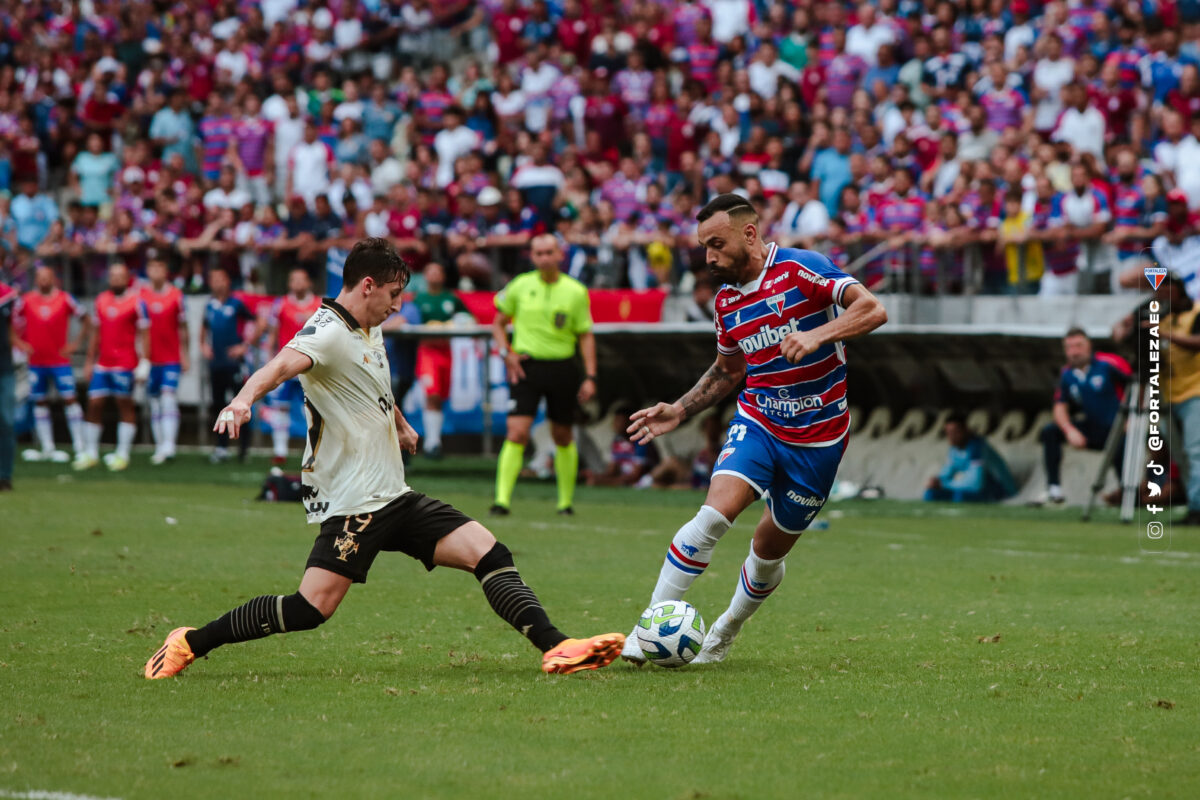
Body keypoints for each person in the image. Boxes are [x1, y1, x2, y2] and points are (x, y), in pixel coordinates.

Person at [144, 238, 624, 679]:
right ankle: (190, 641)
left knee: (489, 553)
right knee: (309, 610)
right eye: (394, 293)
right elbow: (277, 367)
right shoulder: (327, 332)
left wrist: (399, 423)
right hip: (355, 504)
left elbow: (370, 381)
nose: (398, 304)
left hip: (395, 494)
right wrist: (241, 400)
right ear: (367, 285)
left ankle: (557, 647)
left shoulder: (368, 326)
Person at [619, 194, 887, 664]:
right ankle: (647, 629)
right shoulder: (726, 302)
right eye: (704, 247)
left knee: (766, 552)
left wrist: (817, 334)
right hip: (759, 421)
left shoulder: (803, 268)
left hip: (820, 438)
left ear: (749, 233)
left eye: (717, 244)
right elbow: (727, 370)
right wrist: (681, 409)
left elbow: (872, 309)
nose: (709, 257)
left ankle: (724, 630)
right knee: (712, 517)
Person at [490, 234, 597, 516]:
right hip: (527, 366)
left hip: (563, 367)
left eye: (549, 252)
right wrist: (507, 353)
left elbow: (585, 335)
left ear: (560, 255)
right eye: (539, 253)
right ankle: (501, 501)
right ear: (532, 257)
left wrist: (590, 376)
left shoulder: (575, 291)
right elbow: (498, 323)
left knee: (562, 435)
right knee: (517, 431)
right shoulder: (520, 286)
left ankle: (565, 503)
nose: (544, 258)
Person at [1039, 328, 1131, 504]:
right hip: (1094, 428)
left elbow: (1137, 385)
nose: (1074, 352)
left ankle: (1127, 492)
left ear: (1089, 346)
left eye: (1078, 346)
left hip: (1119, 427)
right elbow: (1059, 406)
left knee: (1122, 445)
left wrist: (1132, 417)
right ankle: (1054, 489)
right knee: (1050, 431)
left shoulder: (1108, 363)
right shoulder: (1067, 374)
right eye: (1069, 347)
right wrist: (1069, 430)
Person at [79, 262, 149, 472]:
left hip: (126, 362)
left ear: (127, 277)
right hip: (103, 362)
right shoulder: (101, 300)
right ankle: (91, 452)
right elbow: (96, 333)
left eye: (120, 275)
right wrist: (90, 360)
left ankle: (122, 454)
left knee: (124, 405)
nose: (116, 279)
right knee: (94, 404)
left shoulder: (137, 301)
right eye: (113, 275)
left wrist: (145, 361)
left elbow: (146, 333)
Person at [13, 266, 87, 463]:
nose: (44, 281)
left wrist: (75, 344)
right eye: (40, 278)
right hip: (36, 361)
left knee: (70, 399)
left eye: (47, 277)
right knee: (40, 401)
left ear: (54, 278)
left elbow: (87, 319)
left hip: (60, 360)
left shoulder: (65, 298)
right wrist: (19, 343)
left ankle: (80, 445)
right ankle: (47, 446)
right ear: (36, 280)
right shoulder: (26, 299)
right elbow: (9, 321)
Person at [265, 268, 322, 465]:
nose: (297, 283)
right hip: (286, 365)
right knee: (280, 407)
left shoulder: (320, 305)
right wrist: (270, 358)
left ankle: (315, 451)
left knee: (314, 410)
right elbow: (273, 332)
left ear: (309, 283)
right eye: (293, 279)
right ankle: (280, 451)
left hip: (310, 366)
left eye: (301, 279)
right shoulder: (280, 304)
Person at [413, 262, 469, 459]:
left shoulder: (451, 298)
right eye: (431, 272)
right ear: (425, 276)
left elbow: (469, 318)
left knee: (442, 396)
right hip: (427, 352)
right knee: (432, 394)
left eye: (439, 271)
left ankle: (435, 441)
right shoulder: (419, 299)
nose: (435, 276)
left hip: (446, 351)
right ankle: (431, 444)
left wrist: (457, 323)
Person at [201, 268, 256, 463]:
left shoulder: (237, 303)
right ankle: (221, 448)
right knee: (218, 405)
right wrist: (203, 345)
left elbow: (257, 322)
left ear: (227, 281)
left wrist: (244, 346)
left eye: (220, 279)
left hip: (235, 364)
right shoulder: (210, 305)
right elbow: (204, 327)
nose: (217, 283)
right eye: (213, 279)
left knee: (241, 404)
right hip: (216, 364)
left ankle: (244, 449)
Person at [140, 252, 189, 464]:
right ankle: (159, 445)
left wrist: (184, 354)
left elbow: (183, 327)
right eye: (152, 268)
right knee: (155, 402)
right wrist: (141, 358)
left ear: (165, 271)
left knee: (168, 398)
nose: (156, 272)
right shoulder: (141, 296)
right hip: (151, 359)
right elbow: (138, 329)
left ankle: (169, 445)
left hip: (171, 358)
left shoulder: (176, 295)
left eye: (159, 267)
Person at [923, 412, 1017, 502]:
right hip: (978, 489)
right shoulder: (954, 449)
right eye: (948, 433)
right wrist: (936, 481)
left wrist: (944, 484)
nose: (951, 437)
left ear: (966, 430)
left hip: (1000, 489)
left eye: (955, 432)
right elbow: (947, 473)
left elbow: (975, 483)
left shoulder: (977, 447)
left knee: (960, 496)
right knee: (931, 494)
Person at [0, 280, 15, 491]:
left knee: (6, 421)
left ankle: (4, 476)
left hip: (3, 366)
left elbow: (14, 327)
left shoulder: (6, 294)